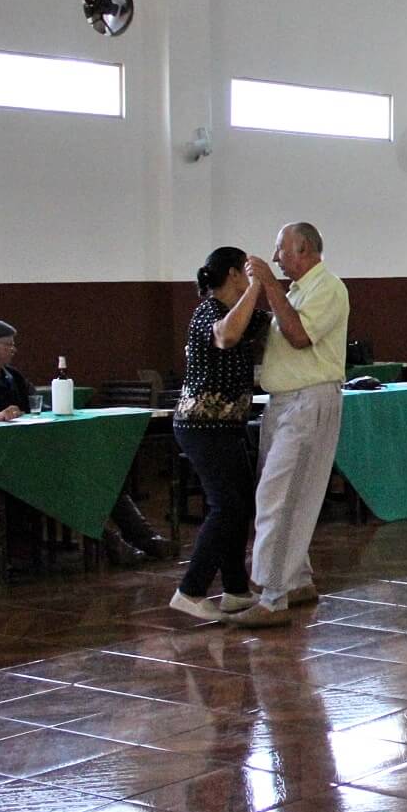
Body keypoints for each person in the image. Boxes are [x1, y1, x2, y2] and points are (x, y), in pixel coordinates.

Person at [0, 318, 169, 562]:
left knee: (99, 470)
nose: (14, 349)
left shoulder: (14, 376)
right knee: (70, 481)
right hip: (9, 462)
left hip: (39, 449)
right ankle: (113, 543)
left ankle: (143, 536)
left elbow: (40, 405)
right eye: (9, 344)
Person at [230, 222, 349, 629]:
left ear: (304, 249)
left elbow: (299, 336)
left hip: (308, 400)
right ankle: (296, 579)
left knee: (280, 496)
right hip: (283, 403)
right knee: (280, 491)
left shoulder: (328, 288)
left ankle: (272, 597)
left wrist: (268, 284)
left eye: (281, 250)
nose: (276, 257)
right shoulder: (296, 290)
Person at [170, 248, 270, 622]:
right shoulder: (208, 311)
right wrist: (258, 286)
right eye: (245, 273)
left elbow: (276, 324)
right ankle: (191, 589)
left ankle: (236, 590)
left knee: (239, 504)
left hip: (227, 427)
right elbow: (227, 336)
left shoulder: (245, 313)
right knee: (226, 506)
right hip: (201, 427)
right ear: (233, 274)